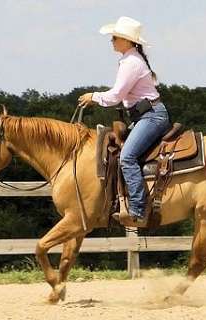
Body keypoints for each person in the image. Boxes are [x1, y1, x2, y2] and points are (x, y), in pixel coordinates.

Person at [78, 16, 171, 226]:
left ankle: (138, 207)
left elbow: (116, 95)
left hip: (151, 116)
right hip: (144, 115)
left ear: (128, 41)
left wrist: (93, 96)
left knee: (127, 157)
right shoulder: (131, 60)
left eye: (116, 37)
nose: (112, 40)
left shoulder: (132, 63)